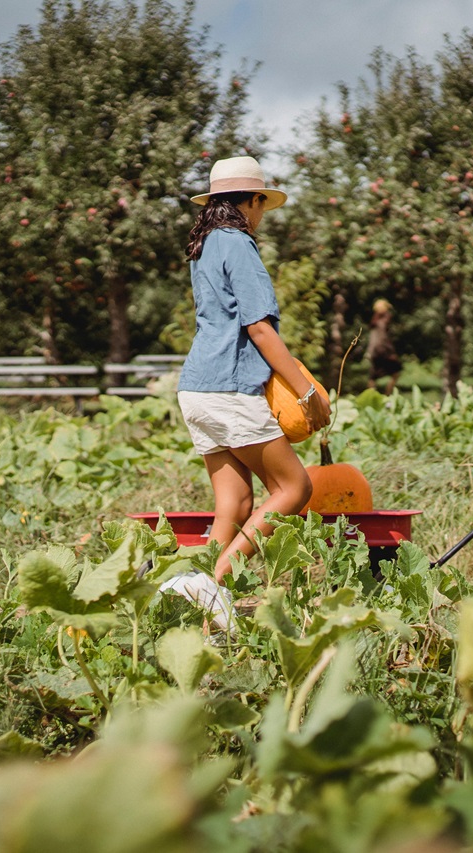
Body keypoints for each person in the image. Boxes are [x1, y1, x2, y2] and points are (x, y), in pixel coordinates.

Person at [177, 155, 331, 589]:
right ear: (254, 200)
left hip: (196, 388)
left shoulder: (203, 245)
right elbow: (259, 328)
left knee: (235, 503)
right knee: (294, 489)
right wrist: (307, 393)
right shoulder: (237, 242)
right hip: (229, 387)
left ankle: (187, 589)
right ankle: (211, 586)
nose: (262, 215)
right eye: (263, 205)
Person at [366, 298, 402, 393]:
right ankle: (387, 395)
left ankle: (372, 396)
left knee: (372, 377)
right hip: (383, 352)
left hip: (375, 352)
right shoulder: (382, 322)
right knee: (396, 373)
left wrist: (369, 352)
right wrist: (390, 353)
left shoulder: (375, 320)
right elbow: (383, 339)